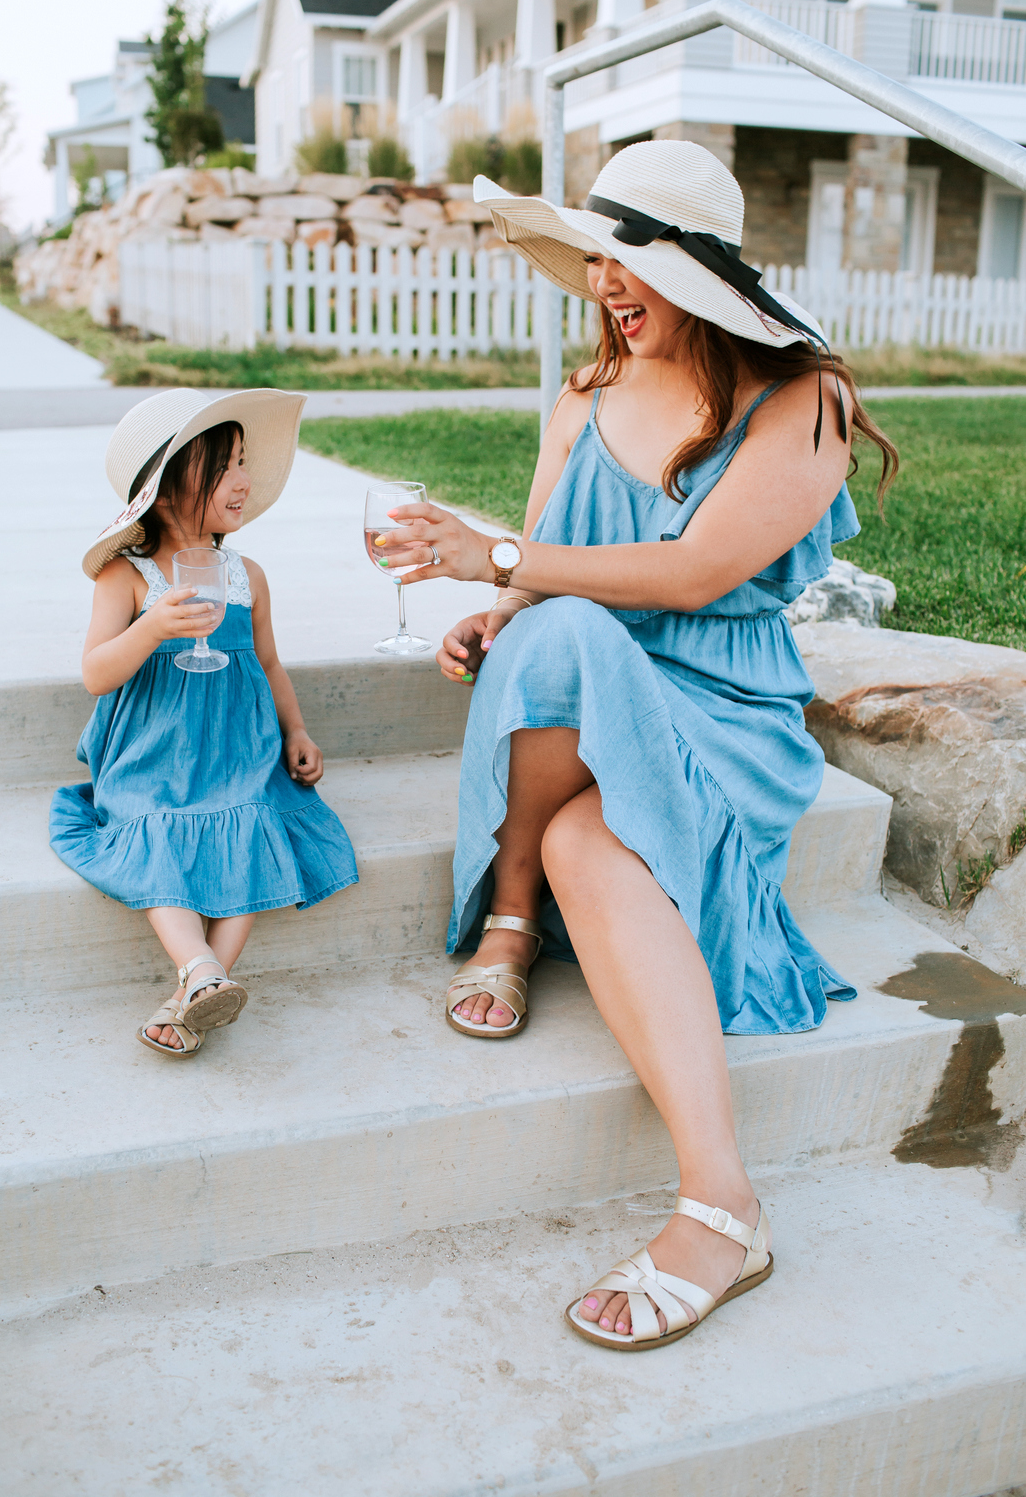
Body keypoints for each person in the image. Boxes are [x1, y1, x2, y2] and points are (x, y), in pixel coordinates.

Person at [370, 141, 897, 1350]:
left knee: (568, 722)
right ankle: (715, 1188)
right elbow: (554, 551)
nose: (609, 287)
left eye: (637, 268)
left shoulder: (798, 401)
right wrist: (491, 614)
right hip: (583, 691)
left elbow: (689, 572)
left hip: (723, 720)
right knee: (560, 714)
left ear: (701, 283)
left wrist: (501, 566)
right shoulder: (583, 396)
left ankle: (708, 1191)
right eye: (602, 261)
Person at [50, 388, 358, 1058]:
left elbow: (270, 665)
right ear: (165, 492)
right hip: (153, 754)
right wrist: (152, 626)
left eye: (244, 462)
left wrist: (297, 732)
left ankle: (197, 986)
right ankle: (202, 969)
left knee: (249, 829)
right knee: (156, 835)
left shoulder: (247, 575)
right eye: (224, 467)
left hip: (237, 751)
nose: (244, 481)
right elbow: (97, 673)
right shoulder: (126, 577)